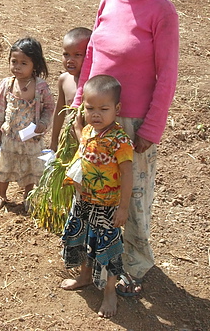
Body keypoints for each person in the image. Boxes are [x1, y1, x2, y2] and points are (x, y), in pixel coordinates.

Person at [71, 0, 180, 296]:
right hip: (95, 115)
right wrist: (77, 106)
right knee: (90, 192)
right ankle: (91, 262)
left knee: (131, 199)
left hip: (132, 124)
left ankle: (132, 266)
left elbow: (167, 74)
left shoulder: (162, 11)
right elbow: (91, 56)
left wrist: (151, 128)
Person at [60, 75, 133, 318]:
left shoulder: (120, 140)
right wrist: (79, 127)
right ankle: (84, 276)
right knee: (81, 239)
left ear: (117, 109)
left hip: (108, 206)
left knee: (108, 248)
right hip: (84, 201)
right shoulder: (91, 130)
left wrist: (123, 208)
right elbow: (85, 145)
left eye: (104, 109)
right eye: (90, 108)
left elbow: (127, 175)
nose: (96, 114)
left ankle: (109, 292)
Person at [0, 37, 55, 211]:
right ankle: (1, 195)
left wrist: (42, 123)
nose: (17, 67)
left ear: (35, 64)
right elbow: (0, 107)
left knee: (30, 166)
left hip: (30, 138)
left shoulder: (40, 87)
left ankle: (28, 195)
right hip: (10, 135)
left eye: (23, 63)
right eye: (14, 61)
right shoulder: (7, 84)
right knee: (5, 163)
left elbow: (49, 107)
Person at [49, 27, 92, 153]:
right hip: (70, 142)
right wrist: (54, 141)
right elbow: (59, 112)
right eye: (66, 54)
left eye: (77, 55)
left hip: (91, 145)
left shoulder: (94, 84)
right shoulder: (64, 80)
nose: (70, 60)